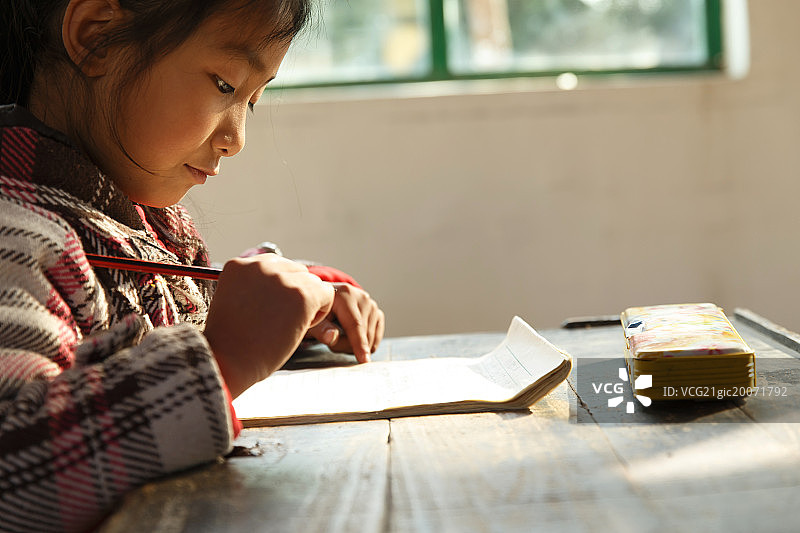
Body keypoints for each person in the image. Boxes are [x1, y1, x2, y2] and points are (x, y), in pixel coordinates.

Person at [0, 1, 385, 531]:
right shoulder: (16, 239)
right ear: (97, 38)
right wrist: (223, 359)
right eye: (226, 85)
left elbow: (165, 332)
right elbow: (13, 474)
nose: (236, 139)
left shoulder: (133, 222)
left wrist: (291, 312)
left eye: (251, 101)